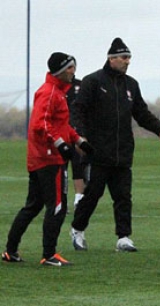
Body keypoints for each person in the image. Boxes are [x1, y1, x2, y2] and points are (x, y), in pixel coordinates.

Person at [70, 38, 160, 252]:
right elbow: (78, 110)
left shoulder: (131, 85)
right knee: (93, 194)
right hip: (97, 152)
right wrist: (80, 136)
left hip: (122, 152)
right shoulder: (93, 81)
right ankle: (77, 229)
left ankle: (123, 237)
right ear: (111, 59)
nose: (127, 61)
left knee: (123, 196)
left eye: (129, 57)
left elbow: (142, 114)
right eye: (124, 57)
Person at [1, 52, 93, 266]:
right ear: (60, 70)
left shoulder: (56, 93)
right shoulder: (50, 93)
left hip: (39, 159)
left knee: (32, 206)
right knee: (58, 206)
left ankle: (10, 251)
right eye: (70, 68)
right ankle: (49, 254)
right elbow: (40, 125)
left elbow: (60, 125)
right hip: (50, 160)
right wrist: (61, 145)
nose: (73, 72)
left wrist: (78, 141)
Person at [65, 75, 86, 212]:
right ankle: (61, 199)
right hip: (60, 134)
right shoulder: (55, 89)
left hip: (77, 133)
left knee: (78, 165)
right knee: (61, 168)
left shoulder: (82, 86)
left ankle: (79, 199)